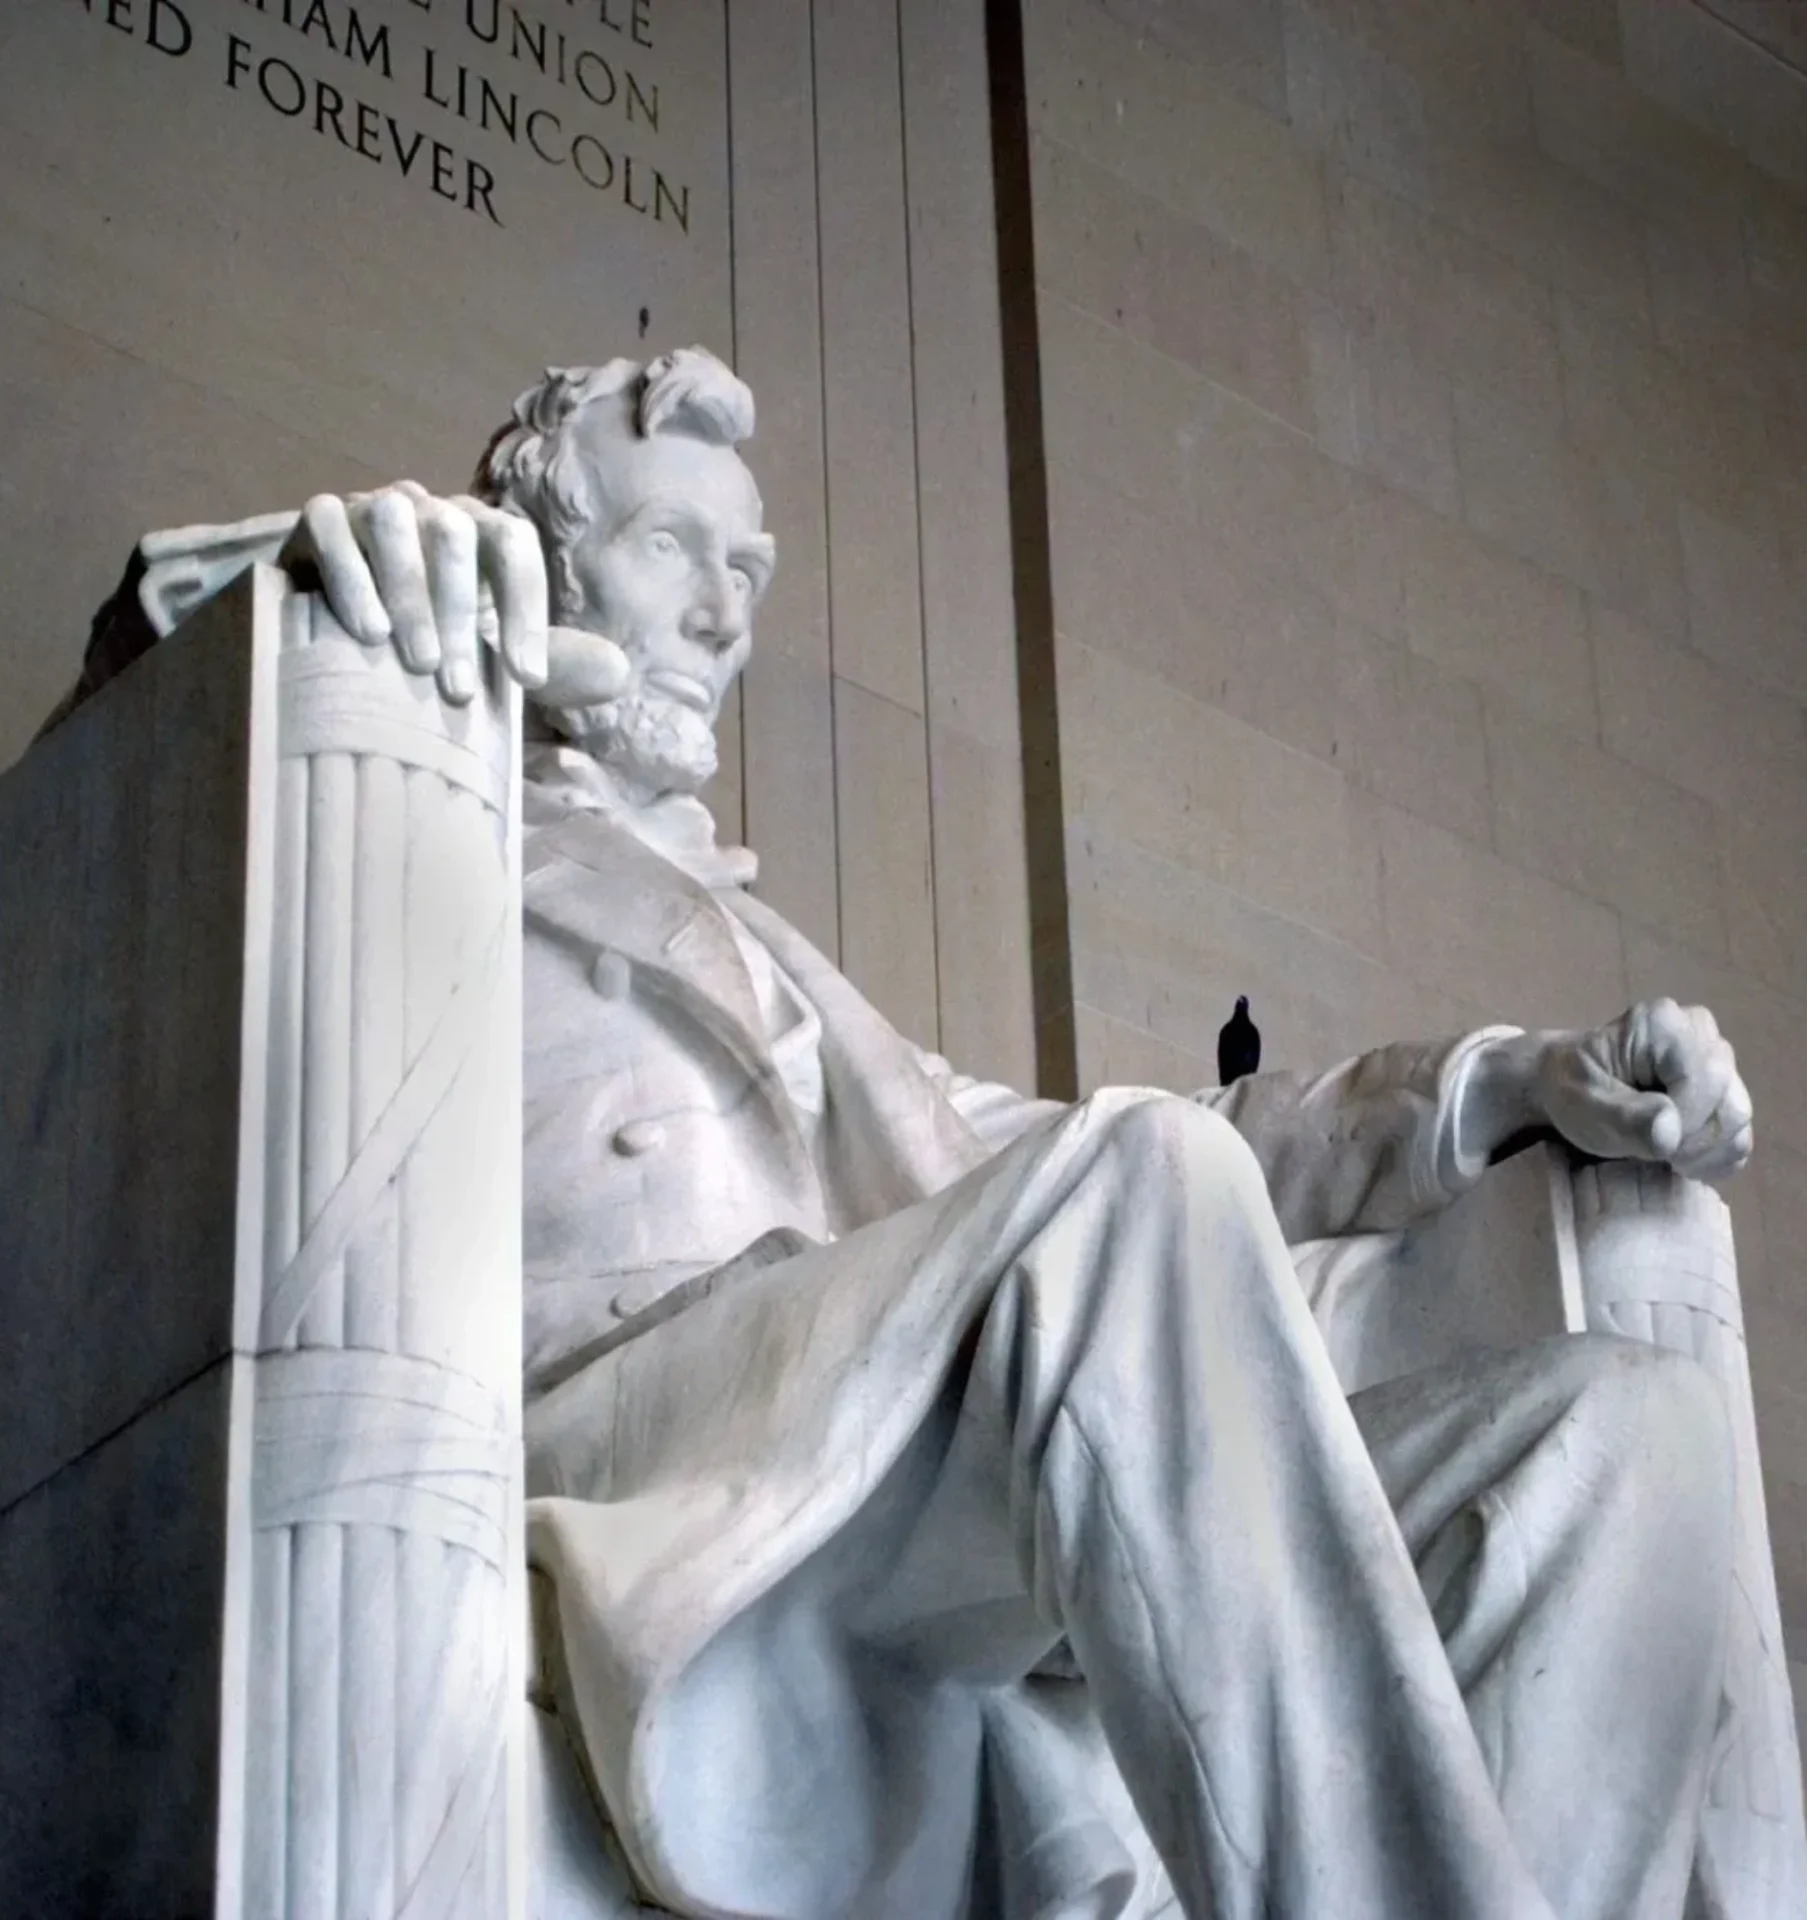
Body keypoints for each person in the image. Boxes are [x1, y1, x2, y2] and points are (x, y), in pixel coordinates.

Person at [66, 349, 1774, 1918]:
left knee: (1622, 1433)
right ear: (535, 547)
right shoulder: (422, 778)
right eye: (676, 550)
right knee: (1133, 1191)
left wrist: (1496, 1089)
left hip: (889, 1404)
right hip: (637, 1417)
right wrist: (320, 572)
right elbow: (124, 750)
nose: (724, 618)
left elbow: (1188, 1144)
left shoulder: (803, 982)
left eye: (748, 576)